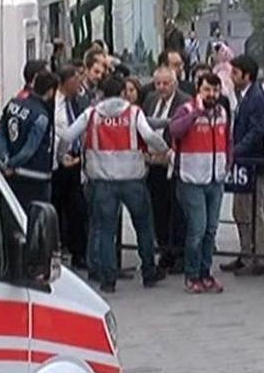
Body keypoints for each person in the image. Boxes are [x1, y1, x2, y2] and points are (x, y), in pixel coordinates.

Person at [60, 75, 168, 293]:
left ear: (101, 92)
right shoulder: (133, 112)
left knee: (106, 230)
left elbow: (68, 135)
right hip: (133, 179)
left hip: (102, 181)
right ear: (121, 93)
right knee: (144, 227)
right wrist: (164, 149)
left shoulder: (91, 114)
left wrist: (61, 155)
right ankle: (148, 271)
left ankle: (107, 279)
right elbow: (149, 135)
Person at [170, 73, 230, 293]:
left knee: (211, 230)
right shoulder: (186, 110)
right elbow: (174, 130)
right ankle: (192, 274)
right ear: (198, 90)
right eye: (207, 90)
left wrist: (227, 163)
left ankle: (206, 274)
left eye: (215, 90)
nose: (211, 95)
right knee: (198, 228)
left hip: (215, 178)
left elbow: (227, 140)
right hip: (192, 178)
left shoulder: (222, 112)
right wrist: (196, 114)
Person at [222, 55, 264, 277]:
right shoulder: (245, 96)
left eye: (235, 73)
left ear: (246, 74)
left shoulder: (257, 98)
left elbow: (257, 131)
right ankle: (246, 252)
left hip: (252, 163)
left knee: (253, 210)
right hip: (242, 165)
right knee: (239, 210)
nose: (232, 77)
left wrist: (237, 149)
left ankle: (261, 257)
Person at [143, 67, 191, 273]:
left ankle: (180, 253)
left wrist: (169, 154)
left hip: (173, 162)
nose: (161, 88)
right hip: (152, 164)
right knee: (158, 209)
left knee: (177, 211)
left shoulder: (185, 102)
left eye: (166, 83)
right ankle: (165, 250)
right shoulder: (151, 100)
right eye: (158, 84)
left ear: (174, 83)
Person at [0, 71, 60, 212]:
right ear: (50, 91)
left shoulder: (13, 104)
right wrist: (12, 164)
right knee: (34, 221)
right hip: (35, 176)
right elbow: (30, 149)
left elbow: (0, 133)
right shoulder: (41, 115)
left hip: (12, 175)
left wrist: (4, 159)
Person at [53, 65, 89, 269]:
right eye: (75, 80)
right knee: (57, 207)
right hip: (57, 162)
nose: (79, 84)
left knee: (77, 209)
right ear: (65, 82)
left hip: (75, 160)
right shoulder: (53, 103)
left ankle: (79, 253)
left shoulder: (77, 102)